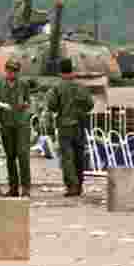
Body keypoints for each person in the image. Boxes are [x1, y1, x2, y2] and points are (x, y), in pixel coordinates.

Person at [47, 58, 94, 197]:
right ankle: (79, 185)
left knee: (67, 157)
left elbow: (52, 106)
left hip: (65, 126)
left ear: (61, 72)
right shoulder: (81, 86)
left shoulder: (57, 87)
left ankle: (72, 185)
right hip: (79, 125)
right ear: (72, 70)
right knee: (79, 156)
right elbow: (90, 104)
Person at [0, 57, 33, 196]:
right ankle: (13, 188)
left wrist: (25, 105)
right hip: (7, 124)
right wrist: (0, 105)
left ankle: (26, 187)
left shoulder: (23, 85)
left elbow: (29, 101)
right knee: (10, 157)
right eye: (10, 70)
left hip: (22, 124)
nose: (12, 73)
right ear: (6, 71)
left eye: (15, 71)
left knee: (23, 155)